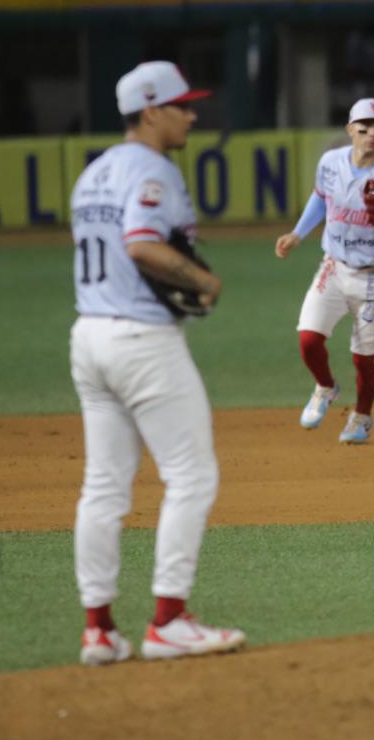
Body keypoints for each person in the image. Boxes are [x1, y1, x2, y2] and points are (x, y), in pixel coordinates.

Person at [68, 61, 246, 666]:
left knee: (103, 487)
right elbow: (142, 244)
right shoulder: (153, 170)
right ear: (151, 112)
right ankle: (169, 621)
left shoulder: (92, 175)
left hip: (88, 336)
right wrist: (203, 279)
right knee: (192, 477)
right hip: (141, 340)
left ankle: (99, 630)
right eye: (181, 105)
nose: (192, 114)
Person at [275, 97, 374, 444]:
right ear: (350, 129)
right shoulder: (330, 162)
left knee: (364, 357)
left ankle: (362, 417)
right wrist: (297, 233)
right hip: (334, 267)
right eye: (365, 128)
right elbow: (320, 198)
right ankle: (325, 387)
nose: (372, 135)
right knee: (309, 339)